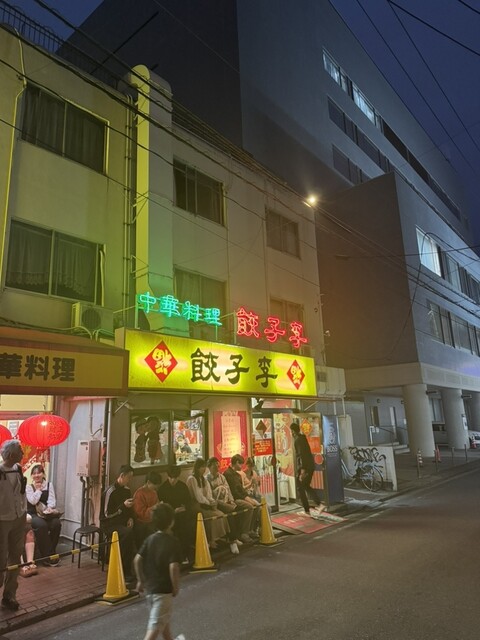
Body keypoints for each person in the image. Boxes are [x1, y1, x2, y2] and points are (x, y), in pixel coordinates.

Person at [134, 503, 185, 640]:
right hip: (163, 592)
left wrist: (140, 580)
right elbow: (174, 567)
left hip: (150, 590)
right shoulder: (173, 542)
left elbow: (137, 560)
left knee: (163, 621)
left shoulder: (149, 539)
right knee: (154, 628)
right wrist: (176, 586)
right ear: (171, 522)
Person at [0, 439, 26, 611]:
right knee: (1, 557)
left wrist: (24, 511)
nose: (23, 453)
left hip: (19, 516)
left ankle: (10, 595)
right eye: (20, 451)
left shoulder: (19, 469)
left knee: (15, 556)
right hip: (2, 519)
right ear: (10, 455)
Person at [100, 464, 135, 581]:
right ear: (122, 476)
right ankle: (124, 570)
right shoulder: (110, 491)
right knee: (127, 534)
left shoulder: (127, 490)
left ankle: (133, 565)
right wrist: (123, 506)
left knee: (137, 528)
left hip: (122, 521)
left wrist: (130, 518)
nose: (130, 480)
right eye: (129, 477)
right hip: (109, 523)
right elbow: (106, 514)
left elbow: (129, 509)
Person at [206, 457, 250, 552]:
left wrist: (231, 500)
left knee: (238, 510)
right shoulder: (207, 479)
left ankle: (236, 536)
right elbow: (210, 495)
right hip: (216, 502)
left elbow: (228, 489)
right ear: (209, 467)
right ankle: (232, 540)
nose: (217, 469)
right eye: (215, 467)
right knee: (231, 511)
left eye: (218, 466)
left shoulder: (222, 477)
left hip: (226, 501)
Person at [186, 458, 230, 550]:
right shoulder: (192, 479)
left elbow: (208, 494)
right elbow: (198, 496)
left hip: (206, 504)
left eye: (204, 467)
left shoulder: (203, 479)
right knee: (212, 516)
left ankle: (217, 538)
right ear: (197, 468)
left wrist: (212, 501)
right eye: (202, 467)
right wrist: (209, 504)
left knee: (220, 514)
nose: (204, 469)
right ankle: (211, 540)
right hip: (196, 505)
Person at [26, 464, 62, 566]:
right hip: (33, 514)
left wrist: (50, 508)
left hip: (46, 513)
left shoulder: (49, 485)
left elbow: (52, 500)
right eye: (34, 473)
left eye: (39, 473)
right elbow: (33, 501)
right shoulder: (29, 487)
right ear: (32, 476)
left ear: (43, 474)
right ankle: (48, 556)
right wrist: (38, 490)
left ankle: (50, 552)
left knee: (56, 524)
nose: (36, 475)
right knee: (42, 525)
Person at [157, 466, 195, 563]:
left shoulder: (182, 486)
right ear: (168, 476)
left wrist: (185, 508)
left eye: (175, 478)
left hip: (182, 514)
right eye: (171, 478)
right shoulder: (162, 489)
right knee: (177, 525)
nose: (173, 480)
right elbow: (162, 506)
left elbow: (188, 501)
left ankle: (185, 554)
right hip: (169, 515)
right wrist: (173, 510)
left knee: (185, 524)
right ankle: (174, 556)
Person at [290, 421, 326, 517]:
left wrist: (302, 470)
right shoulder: (303, 438)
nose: (291, 433)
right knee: (305, 486)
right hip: (309, 466)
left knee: (300, 487)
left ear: (293, 431)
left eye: (291, 431)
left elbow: (301, 455)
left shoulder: (298, 440)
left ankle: (307, 510)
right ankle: (318, 505)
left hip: (305, 468)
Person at [223, 454, 259, 540]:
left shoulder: (237, 475)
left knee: (257, 505)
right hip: (233, 499)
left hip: (240, 497)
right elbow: (235, 493)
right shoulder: (228, 474)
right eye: (241, 464)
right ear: (236, 463)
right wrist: (247, 499)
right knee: (249, 507)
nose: (242, 466)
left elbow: (241, 490)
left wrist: (248, 498)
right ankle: (244, 532)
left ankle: (250, 529)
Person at [133, 471, 161, 548]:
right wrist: (153, 508)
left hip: (153, 520)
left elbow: (157, 504)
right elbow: (140, 513)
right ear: (148, 482)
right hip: (142, 522)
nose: (156, 488)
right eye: (154, 486)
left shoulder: (154, 492)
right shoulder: (139, 494)